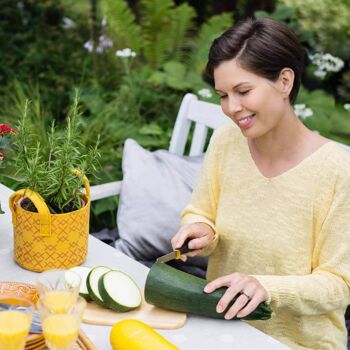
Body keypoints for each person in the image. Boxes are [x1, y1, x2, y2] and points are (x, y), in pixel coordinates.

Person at [171, 17, 350, 350]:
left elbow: (339, 284)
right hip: (220, 330)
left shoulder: (339, 172)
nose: (231, 108)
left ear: (284, 81)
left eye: (243, 91)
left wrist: (266, 288)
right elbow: (201, 212)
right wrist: (200, 230)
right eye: (223, 95)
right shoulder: (226, 141)